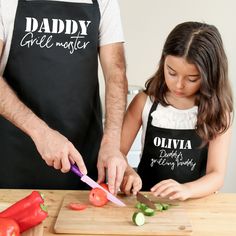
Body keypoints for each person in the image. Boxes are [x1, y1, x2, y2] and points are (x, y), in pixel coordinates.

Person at [0, 0, 128, 193]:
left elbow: (116, 73)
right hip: (14, 157)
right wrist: (41, 133)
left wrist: (111, 144)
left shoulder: (104, 2)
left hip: (82, 158)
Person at [120, 21, 233, 200]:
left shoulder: (219, 112)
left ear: (209, 75)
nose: (179, 85)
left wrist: (187, 190)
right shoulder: (144, 102)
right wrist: (127, 172)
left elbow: (216, 175)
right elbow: (117, 153)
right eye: (171, 73)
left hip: (194, 206)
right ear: (163, 62)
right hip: (147, 202)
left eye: (192, 78)